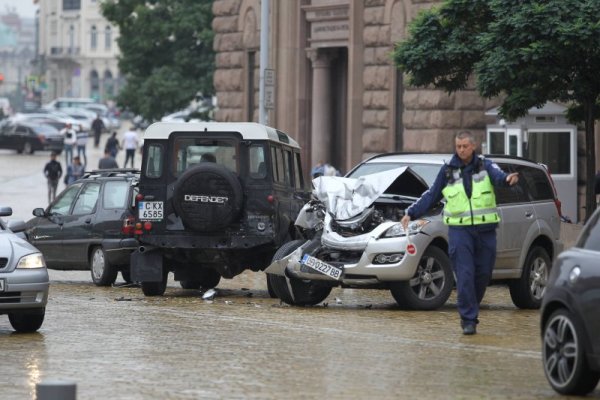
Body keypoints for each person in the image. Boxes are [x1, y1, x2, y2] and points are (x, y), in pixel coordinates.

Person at [400, 131, 519, 335]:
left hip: (486, 230)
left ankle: (471, 306)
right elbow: (432, 195)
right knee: (464, 275)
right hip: (460, 231)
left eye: (465, 146)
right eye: (458, 146)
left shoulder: (485, 165)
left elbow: (499, 178)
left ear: (473, 146)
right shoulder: (447, 170)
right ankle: (468, 319)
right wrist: (410, 213)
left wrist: (508, 179)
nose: (461, 150)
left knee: (482, 275)